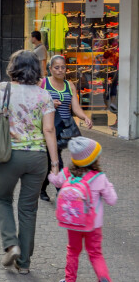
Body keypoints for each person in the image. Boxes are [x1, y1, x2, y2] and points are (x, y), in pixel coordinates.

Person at [0, 50, 59, 274]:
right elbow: (49, 129)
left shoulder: (3, 89)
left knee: (3, 199)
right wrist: (54, 163)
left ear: (13, 67)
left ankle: (11, 244)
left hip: (8, 155)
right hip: (37, 157)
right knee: (28, 209)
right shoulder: (44, 95)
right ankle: (24, 263)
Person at [48, 137, 117, 282]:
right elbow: (112, 200)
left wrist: (53, 171)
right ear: (94, 159)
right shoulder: (100, 177)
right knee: (95, 253)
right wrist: (109, 187)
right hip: (93, 225)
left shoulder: (67, 173)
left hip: (73, 223)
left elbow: (55, 180)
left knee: (73, 250)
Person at [39, 55, 93, 201]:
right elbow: (34, 104)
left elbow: (75, 108)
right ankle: (62, 192)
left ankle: (42, 188)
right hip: (47, 128)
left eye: (63, 67)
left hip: (64, 130)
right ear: (50, 69)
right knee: (56, 159)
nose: (60, 70)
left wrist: (85, 117)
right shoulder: (43, 83)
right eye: (56, 67)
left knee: (52, 158)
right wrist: (49, 103)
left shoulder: (70, 85)